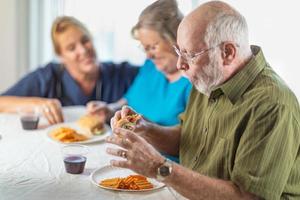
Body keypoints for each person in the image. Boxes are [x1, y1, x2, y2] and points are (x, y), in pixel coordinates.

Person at [105, 1, 300, 199]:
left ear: (228, 53)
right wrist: (146, 128)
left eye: (189, 55)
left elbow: (248, 197)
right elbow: (188, 139)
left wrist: (159, 168)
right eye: (179, 52)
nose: (181, 64)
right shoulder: (208, 77)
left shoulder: (272, 104)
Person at [0, 16, 139, 124]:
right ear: (61, 56)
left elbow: (155, 72)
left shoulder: (121, 73)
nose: (83, 50)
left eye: (85, 40)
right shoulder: (47, 77)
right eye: (71, 48)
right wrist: (38, 104)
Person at [87, 0, 191, 127]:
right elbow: (129, 100)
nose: (148, 55)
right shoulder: (150, 66)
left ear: (175, 39)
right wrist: (110, 108)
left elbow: (187, 137)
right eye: (144, 48)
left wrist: (144, 126)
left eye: (152, 47)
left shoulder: (192, 82)